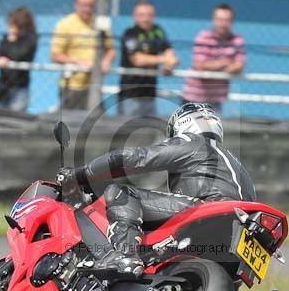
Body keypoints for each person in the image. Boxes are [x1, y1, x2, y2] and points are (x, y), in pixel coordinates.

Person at [60, 102, 256, 278]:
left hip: (208, 210)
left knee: (121, 193)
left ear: (184, 124)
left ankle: (124, 255)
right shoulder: (237, 163)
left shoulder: (193, 142)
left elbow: (134, 158)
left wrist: (79, 175)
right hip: (242, 227)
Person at [50, 0, 115, 110]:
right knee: (71, 124)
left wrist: (106, 62)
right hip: (72, 86)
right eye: (83, 5)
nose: (87, 9)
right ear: (76, 5)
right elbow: (55, 55)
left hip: (94, 85)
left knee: (95, 124)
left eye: (91, 6)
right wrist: (81, 63)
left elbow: (111, 49)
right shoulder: (65, 24)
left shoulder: (101, 24)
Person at [117, 0, 178, 117]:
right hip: (130, 95)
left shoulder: (158, 31)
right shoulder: (130, 33)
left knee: (148, 132)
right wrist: (163, 59)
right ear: (134, 16)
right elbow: (137, 59)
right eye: (141, 15)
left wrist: (169, 64)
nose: (145, 19)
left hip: (150, 94)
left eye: (149, 15)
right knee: (127, 131)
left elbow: (169, 51)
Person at [183, 3, 246, 112]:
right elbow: (199, 65)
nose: (223, 24)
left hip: (216, 100)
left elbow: (239, 65)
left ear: (232, 22)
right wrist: (225, 63)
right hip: (194, 98)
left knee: (213, 129)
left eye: (226, 20)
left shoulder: (237, 40)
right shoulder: (203, 37)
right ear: (213, 20)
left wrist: (214, 66)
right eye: (219, 19)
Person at [0, 7, 37, 112]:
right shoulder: (6, 37)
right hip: (3, 86)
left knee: (15, 118)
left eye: (12, 24)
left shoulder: (30, 39)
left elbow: (19, 55)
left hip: (19, 87)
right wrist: (1, 57)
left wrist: (11, 41)